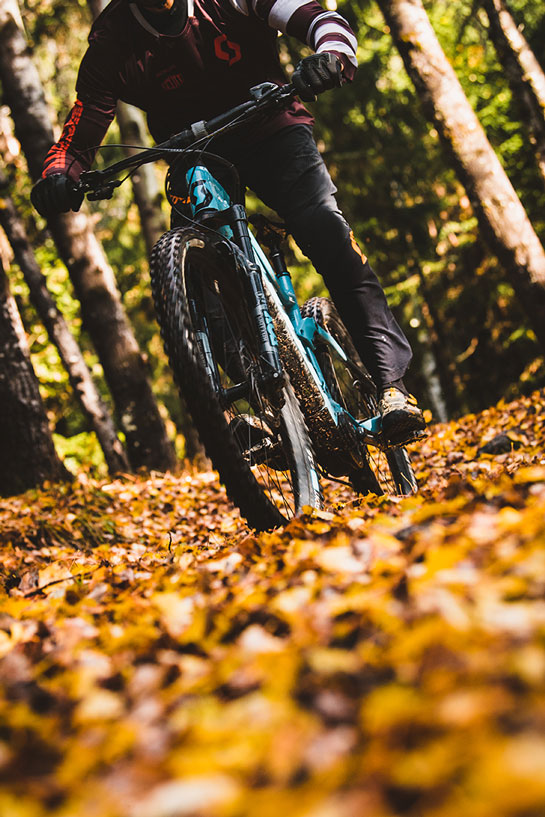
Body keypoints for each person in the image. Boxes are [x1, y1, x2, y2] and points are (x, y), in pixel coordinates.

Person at [31, 0, 426, 445]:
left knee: (325, 230)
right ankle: (264, 405)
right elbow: (82, 124)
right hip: (192, 155)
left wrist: (330, 57)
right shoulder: (112, 39)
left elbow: (321, 19)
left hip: (272, 126)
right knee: (199, 280)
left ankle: (392, 386)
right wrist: (59, 174)